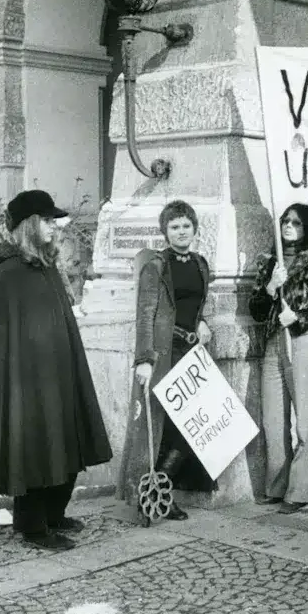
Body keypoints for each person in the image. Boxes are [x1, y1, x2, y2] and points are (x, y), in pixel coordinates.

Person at [0, 189, 113, 551]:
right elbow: (5, 339)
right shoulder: (11, 273)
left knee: (67, 439)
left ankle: (53, 513)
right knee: (33, 446)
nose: (54, 226)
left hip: (58, 375)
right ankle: (32, 525)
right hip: (29, 383)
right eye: (46, 220)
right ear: (29, 225)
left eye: (53, 220)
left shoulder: (44, 266)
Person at [116, 200, 216, 524]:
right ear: (165, 231)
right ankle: (148, 496)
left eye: (186, 225)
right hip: (163, 354)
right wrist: (144, 360)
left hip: (191, 354)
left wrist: (202, 322)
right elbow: (145, 315)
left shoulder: (200, 264)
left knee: (189, 427)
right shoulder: (156, 266)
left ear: (194, 228)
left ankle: (159, 489)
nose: (181, 231)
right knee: (159, 428)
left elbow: (194, 305)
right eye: (174, 227)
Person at [249, 203, 308, 515]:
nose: (289, 226)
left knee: (306, 420)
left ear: (307, 227)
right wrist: (271, 287)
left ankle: (299, 492)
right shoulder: (270, 263)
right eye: (285, 221)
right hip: (274, 342)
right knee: (273, 420)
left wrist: (298, 317)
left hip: (304, 342)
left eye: (296, 223)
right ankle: (276, 486)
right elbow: (256, 310)